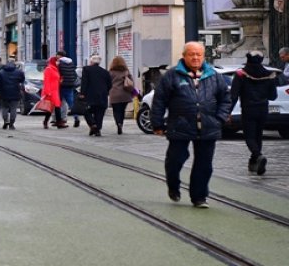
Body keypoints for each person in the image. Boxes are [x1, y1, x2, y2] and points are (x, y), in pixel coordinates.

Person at [151, 41, 231, 208]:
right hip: (179, 125)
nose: (195, 57)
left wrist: (220, 118)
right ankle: (173, 185)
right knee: (175, 160)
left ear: (203, 56)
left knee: (204, 164)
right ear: (184, 56)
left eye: (198, 54)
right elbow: (159, 101)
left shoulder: (214, 76)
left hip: (208, 126)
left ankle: (199, 196)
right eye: (191, 54)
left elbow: (225, 99)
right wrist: (157, 123)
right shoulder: (172, 75)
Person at [230, 51, 278, 175]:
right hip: (263, 109)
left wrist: (227, 112)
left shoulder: (241, 74)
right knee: (258, 135)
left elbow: (233, 96)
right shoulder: (269, 75)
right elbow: (273, 96)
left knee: (249, 136)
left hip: (248, 109)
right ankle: (253, 162)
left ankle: (258, 155)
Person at [79, 55, 111, 137]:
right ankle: (97, 129)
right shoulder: (105, 72)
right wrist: (106, 92)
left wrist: (82, 93)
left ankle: (93, 125)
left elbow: (84, 82)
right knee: (99, 113)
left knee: (86, 111)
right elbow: (110, 84)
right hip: (102, 96)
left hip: (90, 95)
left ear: (91, 62)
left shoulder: (86, 69)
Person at [0, 59, 25, 130]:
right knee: (13, 109)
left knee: (4, 108)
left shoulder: (1, 72)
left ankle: (6, 120)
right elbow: (22, 80)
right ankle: (11, 124)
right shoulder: (19, 72)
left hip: (3, 93)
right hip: (15, 92)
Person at [108, 56, 134, 135]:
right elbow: (131, 82)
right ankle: (121, 124)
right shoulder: (126, 71)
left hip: (114, 94)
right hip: (124, 94)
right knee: (122, 110)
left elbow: (107, 83)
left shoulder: (110, 72)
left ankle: (118, 123)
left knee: (116, 111)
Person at [56, 51, 80, 127]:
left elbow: (58, 74)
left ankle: (61, 119)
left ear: (59, 55)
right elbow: (74, 74)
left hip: (61, 86)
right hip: (70, 85)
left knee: (59, 103)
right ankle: (76, 117)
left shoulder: (59, 63)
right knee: (71, 103)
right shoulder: (71, 63)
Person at [41, 56, 66, 128]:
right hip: (50, 91)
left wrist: (60, 80)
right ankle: (50, 122)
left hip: (56, 90)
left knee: (56, 106)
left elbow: (55, 79)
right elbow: (46, 81)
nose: (58, 62)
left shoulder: (56, 69)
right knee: (51, 107)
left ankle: (58, 122)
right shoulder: (48, 69)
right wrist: (48, 92)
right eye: (57, 61)